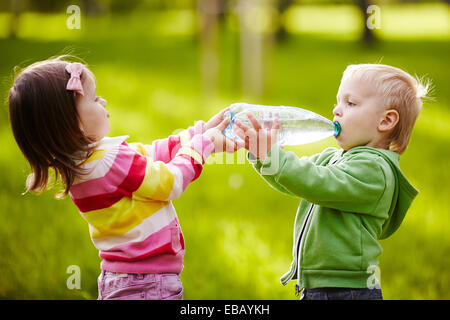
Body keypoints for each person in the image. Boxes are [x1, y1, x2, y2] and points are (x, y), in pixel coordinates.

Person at [8, 56, 241, 300]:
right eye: (95, 99)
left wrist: (198, 133)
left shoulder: (85, 162)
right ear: (73, 123)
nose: (103, 101)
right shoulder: (109, 160)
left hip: (121, 279)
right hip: (148, 285)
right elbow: (170, 182)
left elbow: (150, 155)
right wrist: (202, 146)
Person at [233, 63, 429, 300]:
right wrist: (263, 155)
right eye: (338, 101)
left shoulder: (375, 171)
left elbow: (313, 181)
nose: (336, 110)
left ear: (386, 121)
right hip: (322, 287)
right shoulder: (334, 157)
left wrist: (273, 156)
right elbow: (293, 180)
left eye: (350, 103)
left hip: (348, 291)